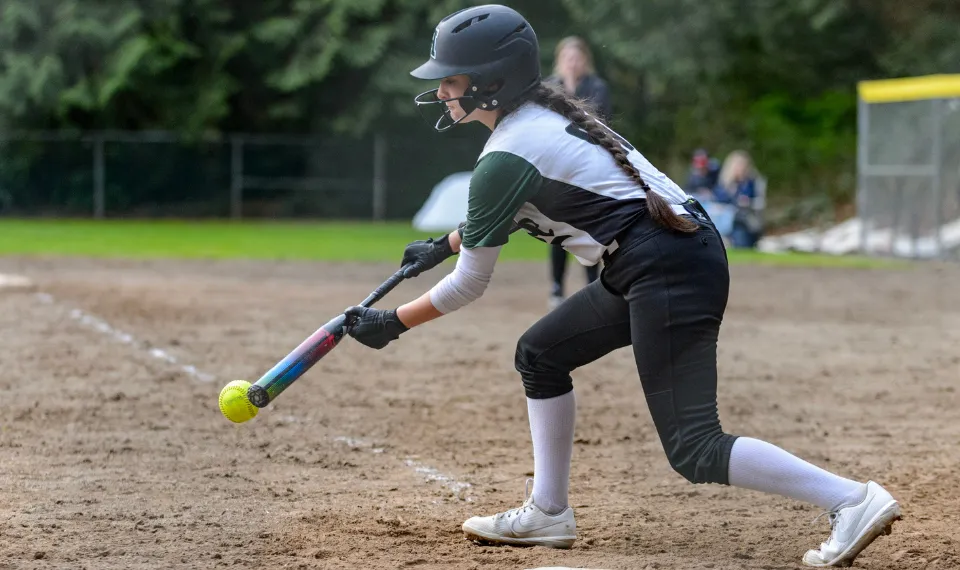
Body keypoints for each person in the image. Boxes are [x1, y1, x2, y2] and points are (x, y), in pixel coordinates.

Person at [342, 5, 901, 567]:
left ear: (492, 82)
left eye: (452, 79)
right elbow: (530, 202)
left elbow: (469, 286)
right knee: (539, 354)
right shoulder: (538, 117)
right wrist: (443, 244)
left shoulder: (505, 155)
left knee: (695, 447)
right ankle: (548, 512)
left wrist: (394, 323)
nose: (441, 91)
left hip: (664, 264)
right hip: (661, 257)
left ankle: (852, 500)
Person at [543, 36, 613, 309]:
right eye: (568, 58)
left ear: (585, 60)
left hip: (587, 165)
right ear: (560, 60)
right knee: (558, 227)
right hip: (558, 167)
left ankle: (592, 286)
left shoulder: (597, 87)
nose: (572, 63)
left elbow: (599, 121)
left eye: (577, 58)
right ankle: (557, 286)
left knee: (589, 227)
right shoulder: (549, 86)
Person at [714, 150, 764, 248]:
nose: (740, 169)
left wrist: (748, 202)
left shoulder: (751, 183)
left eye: (742, 166)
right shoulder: (725, 184)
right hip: (725, 219)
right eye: (738, 166)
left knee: (740, 233)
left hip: (745, 219)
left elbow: (759, 202)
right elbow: (719, 200)